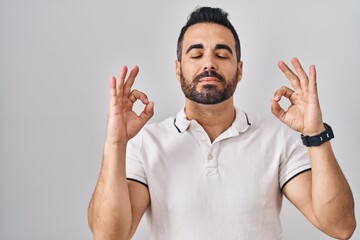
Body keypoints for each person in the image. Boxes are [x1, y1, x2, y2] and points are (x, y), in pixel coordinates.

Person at [88, 7, 356, 240]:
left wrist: (316, 134)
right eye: (196, 54)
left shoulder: (277, 140)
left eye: (222, 54)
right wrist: (116, 144)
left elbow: (340, 226)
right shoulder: (147, 143)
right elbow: (109, 236)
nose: (209, 64)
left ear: (239, 70)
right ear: (178, 68)